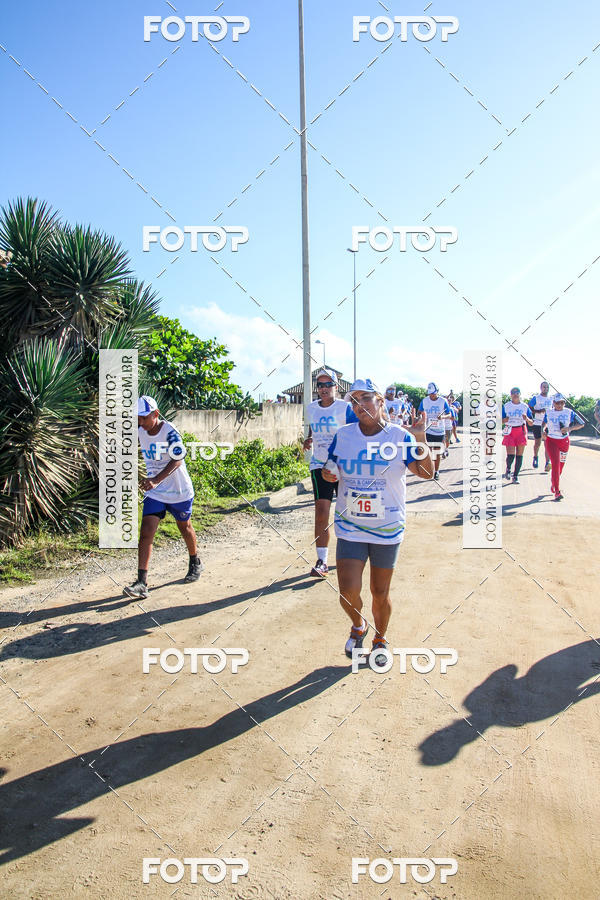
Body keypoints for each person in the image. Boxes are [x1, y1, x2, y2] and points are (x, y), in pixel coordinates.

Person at [322, 379, 433, 667]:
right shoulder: (344, 435)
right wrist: (328, 474)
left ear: (380, 401)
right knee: (347, 591)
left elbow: (425, 473)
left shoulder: (399, 436)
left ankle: (380, 639)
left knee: (379, 592)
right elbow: (330, 467)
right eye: (354, 401)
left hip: (387, 528)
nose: (360, 406)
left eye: (366, 399)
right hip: (350, 526)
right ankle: (358, 625)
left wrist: (419, 438)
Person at [124, 396, 203, 600]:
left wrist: (156, 480)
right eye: (137, 418)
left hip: (178, 491)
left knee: (184, 526)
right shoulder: (140, 430)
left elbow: (178, 459)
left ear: (156, 414)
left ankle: (195, 561)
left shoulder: (170, 432)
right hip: (156, 492)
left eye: (143, 417)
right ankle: (142, 582)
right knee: (146, 532)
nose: (140, 422)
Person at [303, 369, 357, 577]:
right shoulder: (311, 408)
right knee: (321, 513)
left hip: (344, 467)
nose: (323, 389)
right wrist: (309, 439)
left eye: (328, 385)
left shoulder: (345, 408)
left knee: (349, 513)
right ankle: (322, 561)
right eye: (320, 385)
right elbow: (313, 429)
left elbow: (356, 431)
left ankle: (354, 554)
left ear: (336, 387)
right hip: (319, 465)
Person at [543, 393, 584, 500]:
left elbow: (582, 423)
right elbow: (543, 424)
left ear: (564, 403)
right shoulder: (549, 412)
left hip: (564, 442)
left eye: (562, 402)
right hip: (551, 441)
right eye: (557, 403)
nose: (560, 405)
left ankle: (554, 483)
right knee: (555, 465)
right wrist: (543, 430)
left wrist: (569, 429)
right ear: (553, 403)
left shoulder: (569, 412)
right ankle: (557, 491)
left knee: (560, 467)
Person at [417, 382, 452, 480]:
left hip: (439, 431)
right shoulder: (424, 401)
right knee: (428, 452)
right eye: (429, 393)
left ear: (437, 392)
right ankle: (429, 469)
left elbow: (449, 415)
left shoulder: (443, 401)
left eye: (433, 393)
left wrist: (443, 417)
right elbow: (419, 412)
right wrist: (420, 417)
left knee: (437, 453)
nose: (431, 395)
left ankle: (436, 471)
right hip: (428, 430)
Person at [502, 388, 533, 484]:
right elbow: (500, 420)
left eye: (517, 393)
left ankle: (515, 476)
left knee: (519, 455)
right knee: (511, 455)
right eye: (513, 393)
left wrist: (527, 419)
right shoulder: (506, 406)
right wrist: (504, 420)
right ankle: (508, 468)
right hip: (510, 430)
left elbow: (531, 423)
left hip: (521, 430)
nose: (515, 395)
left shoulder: (524, 406)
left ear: (520, 394)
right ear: (510, 395)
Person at [527, 381, 553, 470]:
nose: (545, 389)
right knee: (537, 443)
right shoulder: (536, 398)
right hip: (537, 423)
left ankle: (547, 462)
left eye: (547, 387)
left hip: (548, 424)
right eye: (544, 387)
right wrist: (538, 411)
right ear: (540, 388)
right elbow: (529, 407)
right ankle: (535, 457)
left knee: (547, 443)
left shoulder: (551, 398)